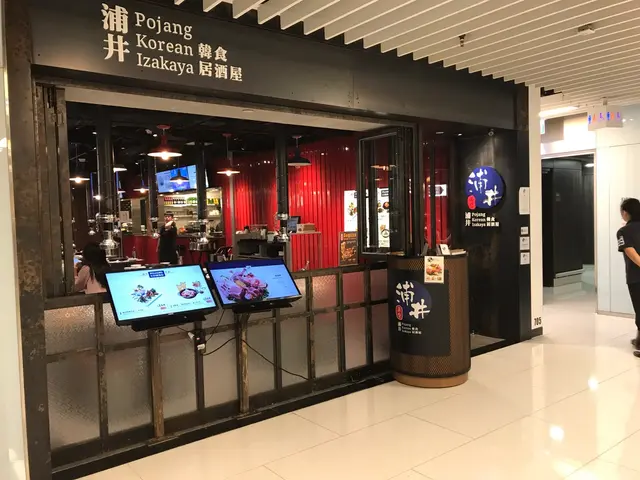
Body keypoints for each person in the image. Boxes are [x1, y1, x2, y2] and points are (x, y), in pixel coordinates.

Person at [617, 198, 640, 357]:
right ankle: (639, 340)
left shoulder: (624, 232)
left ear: (625, 213)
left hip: (636, 277)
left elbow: (631, 253)